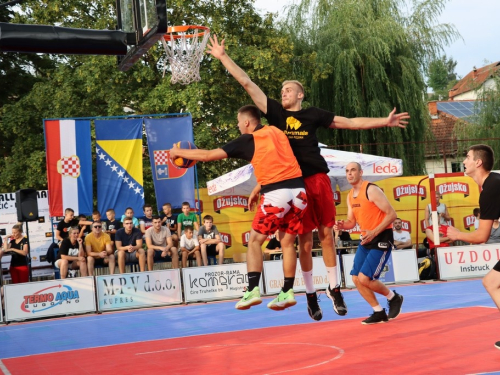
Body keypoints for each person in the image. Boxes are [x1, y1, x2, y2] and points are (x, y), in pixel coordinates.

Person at [207, 35, 409, 319]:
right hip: (293, 185)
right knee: (302, 241)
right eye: (282, 89)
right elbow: (247, 83)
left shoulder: (313, 114)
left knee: (326, 235)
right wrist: (222, 57)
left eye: (289, 89)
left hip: (316, 179)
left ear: (300, 94)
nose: (284, 91)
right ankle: (311, 295)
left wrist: (383, 121)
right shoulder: (275, 113)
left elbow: (349, 123)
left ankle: (333, 287)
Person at [170, 105, 307, 313]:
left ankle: (252, 289)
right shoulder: (277, 132)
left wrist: (177, 152)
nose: (236, 125)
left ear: (246, 122)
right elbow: (283, 164)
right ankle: (287, 292)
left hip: (277, 195)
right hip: (299, 194)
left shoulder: (248, 140)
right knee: (287, 242)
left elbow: (207, 155)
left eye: (237, 121)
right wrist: (258, 187)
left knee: (254, 241)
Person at [445, 145, 500, 349]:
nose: (464, 160)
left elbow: (481, 236)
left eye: (467, 157)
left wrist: (457, 234)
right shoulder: (493, 183)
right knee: (491, 282)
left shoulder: (491, 187)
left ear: (478, 162)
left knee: (491, 283)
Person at [334, 162, 403, 324]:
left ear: (360, 172)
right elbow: (352, 222)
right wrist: (342, 225)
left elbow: (392, 215)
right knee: (356, 278)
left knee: (365, 278)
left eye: (353, 170)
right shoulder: (350, 195)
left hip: (381, 237)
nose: (349, 174)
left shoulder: (371, 189)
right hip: (366, 238)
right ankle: (378, 311)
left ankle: (394, 298)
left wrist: (374, 232)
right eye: (347, 171)